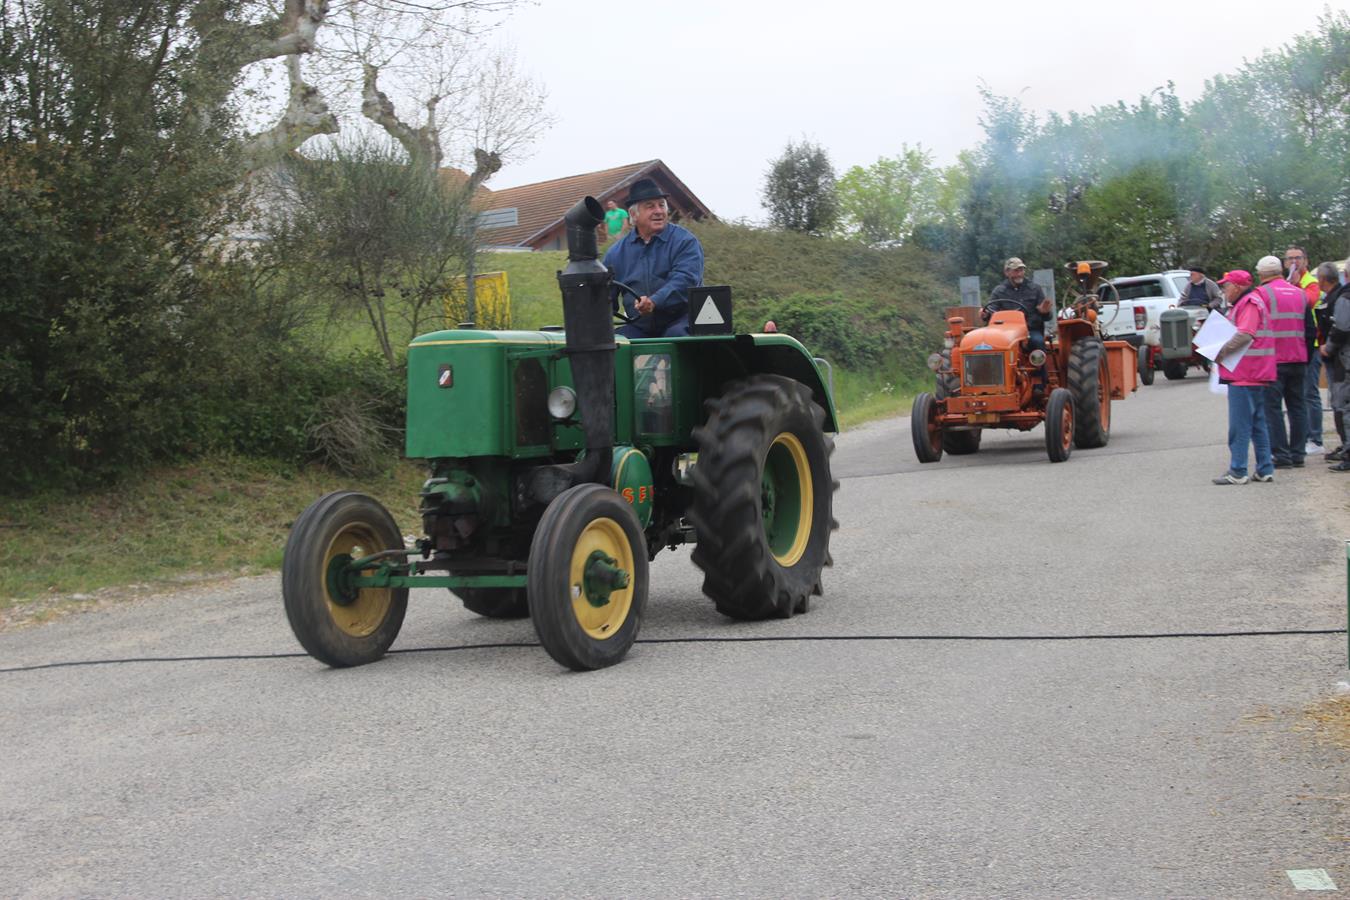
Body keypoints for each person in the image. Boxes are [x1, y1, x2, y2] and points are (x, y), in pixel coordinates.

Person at [603, 178, 704, 339]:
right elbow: (605, 297)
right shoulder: (615, 254)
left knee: (675, 336)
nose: (658, 211)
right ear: (633, 215)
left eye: (661, 205)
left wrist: (654, 301)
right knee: (616, 342)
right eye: (650, 206)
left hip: (682, 321)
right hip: (640, 326)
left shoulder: (685, 242)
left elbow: (685, 280)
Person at [1212, 270, 1277, 484]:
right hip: (1254, 373)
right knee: (1258, 423)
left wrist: (1220, 351)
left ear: (1237, 287)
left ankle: (1238, 471)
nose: (1224, 291)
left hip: (1245, 374)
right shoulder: (1251, 301)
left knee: (1240, 425)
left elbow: (1245, 334)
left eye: (1226, 286)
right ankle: (1264, 468)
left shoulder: (1248, 303)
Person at [1254, 254, 1311, 468]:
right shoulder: (1300, 293)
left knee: (1273, 408)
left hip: (1273, 359)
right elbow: (1309, 328)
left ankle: (1281, 454)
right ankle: (1298, 453)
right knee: (1298, 406)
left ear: (1261, 274)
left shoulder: (1261, 294)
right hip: (1298, 356)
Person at [985, 257, 1051, 389]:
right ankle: (991, 382)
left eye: (1021, 270)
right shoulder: (999, 291)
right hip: (1005, 333)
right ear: (1007, 272)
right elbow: (991, 312)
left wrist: (1044, 311)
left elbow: (1047, 316)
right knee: (987, 345)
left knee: (1037, 342)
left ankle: (1039, 382)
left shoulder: (1035, 289)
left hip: (1030, 330)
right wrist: (985, 314)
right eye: (1015, 271)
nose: (1019, 273)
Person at [1316, 261, 1350, 469]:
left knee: (1343, 404)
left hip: (1344, 359)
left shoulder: (1345, 297)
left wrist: (1328, 347)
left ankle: (1348, 451)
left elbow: (1342, 327)